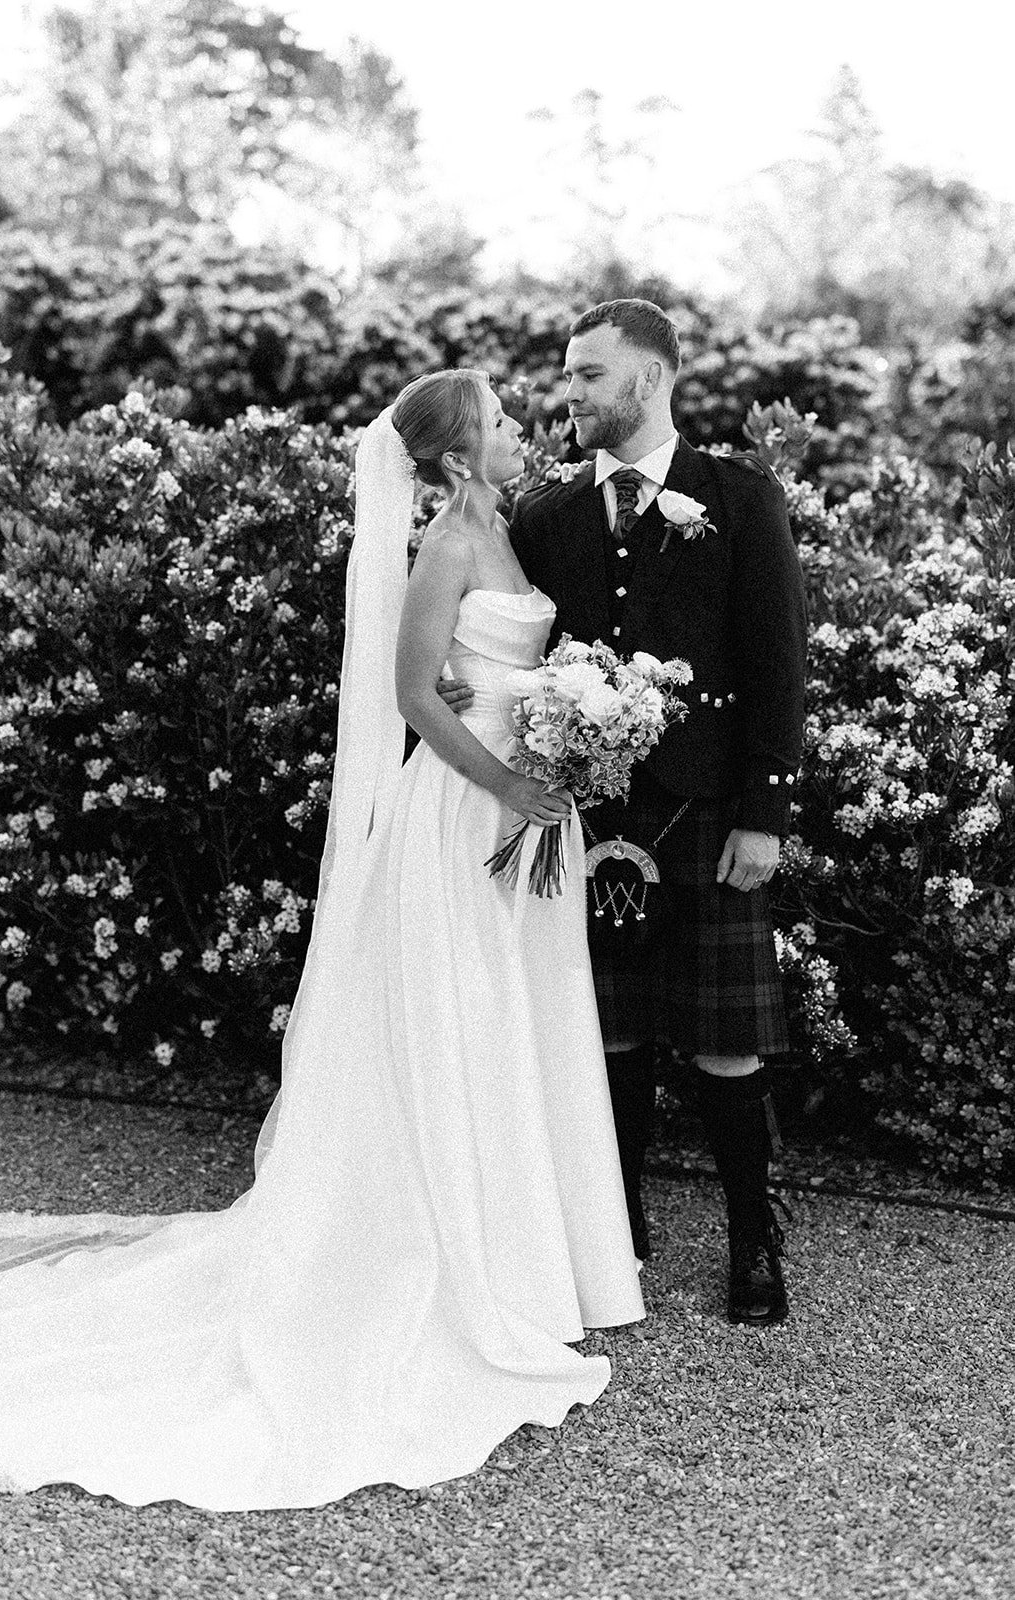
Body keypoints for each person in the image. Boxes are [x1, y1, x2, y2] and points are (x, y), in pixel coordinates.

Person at [0, 370, 644, 1512]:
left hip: (526, 811)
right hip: (464, 810)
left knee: (511, 1019)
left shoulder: (505, 530)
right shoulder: (440, 552)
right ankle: (450, 1262)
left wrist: (570, 734)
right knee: (456, 1020)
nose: (524, 433)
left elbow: (512, 675)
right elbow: (416, 696)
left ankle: (527, 1260)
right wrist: (511, 778)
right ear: (459, 454)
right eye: (504, 424)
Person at [443, 301, 808, 1325]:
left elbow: (779, 665)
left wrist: (764, 812)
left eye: (587, 376)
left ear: (646, 381)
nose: (568, 393)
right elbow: (496, 640)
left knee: (724, 1043)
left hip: (702, 810)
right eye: (567, 375)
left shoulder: (738, 499)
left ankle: (751, 1236)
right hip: (581, 814)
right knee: (603, 1037)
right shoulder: (547, 516)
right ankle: (619, 1230)